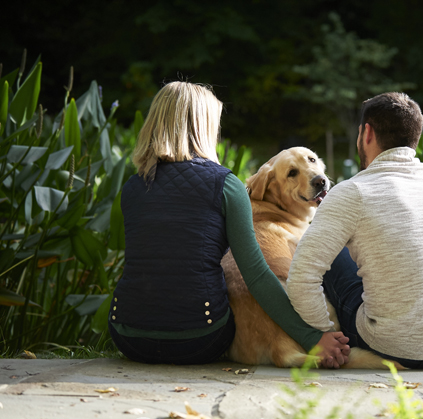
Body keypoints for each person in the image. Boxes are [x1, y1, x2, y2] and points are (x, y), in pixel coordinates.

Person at [108, 82, 349, 367]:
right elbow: (256, 276)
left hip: (128, 336)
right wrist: (311, 338)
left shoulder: (133, 187)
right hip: (200, 339)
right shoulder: (226, 185)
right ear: (204, 126)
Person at [287, 92, 423, 370]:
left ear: (366, 133)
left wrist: (323, 334)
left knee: (328, 252)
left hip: (390, 346)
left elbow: (301, 277)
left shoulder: (352, 192)